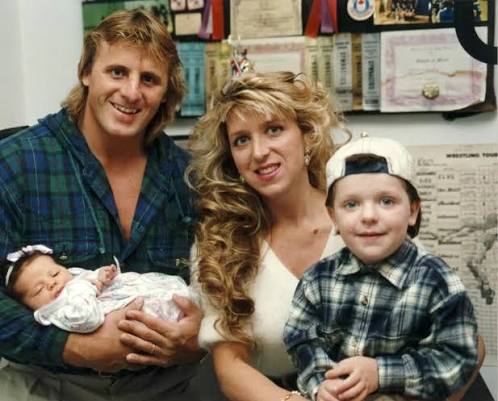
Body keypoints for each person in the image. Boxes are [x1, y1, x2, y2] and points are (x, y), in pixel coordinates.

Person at [0, 8, 203, 401]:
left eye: (149, 79)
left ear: (166, 93)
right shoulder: (15, 164)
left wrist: (201, 337)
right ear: (86, 73)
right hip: (44, 382)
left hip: (164, 386)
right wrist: (72, 346)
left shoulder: (189, 178)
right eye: (117, 72)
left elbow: (227, 285)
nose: (131, 92)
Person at [186, 71, 346, 401]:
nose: (258, 152)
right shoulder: (222, 244)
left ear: (308, 135)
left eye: (273, 129)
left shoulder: (362, 218)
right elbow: (230, 366)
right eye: (241, 140)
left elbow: (447, 336)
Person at [283, 135, 480, 401]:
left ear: (412, 211)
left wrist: (381, 373)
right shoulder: (317, 280)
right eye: (351, 204)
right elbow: (301, 340)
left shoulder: (437, 281)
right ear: (334, 218)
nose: (368, 216)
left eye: (386, 201)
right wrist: (320, 384)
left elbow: (457, 358)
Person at [3, 245, 194, 333]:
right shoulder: (59, 312)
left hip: (138, 289)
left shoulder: (73, 278)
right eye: (38, 290)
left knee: (179, 292)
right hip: (145, 314)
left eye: (54, 273)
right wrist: (85, 286)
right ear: (29, 306)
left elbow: (90, 277)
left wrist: (103, 275)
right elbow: (88, 318)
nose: (51, 283)